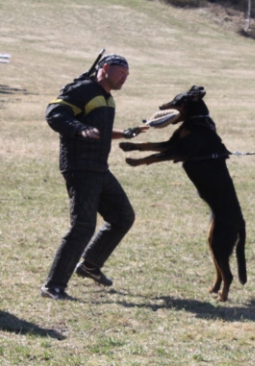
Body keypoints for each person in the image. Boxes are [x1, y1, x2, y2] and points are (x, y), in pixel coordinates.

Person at [41, 54, 148, 300]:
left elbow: (99, 132)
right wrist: (79, 129)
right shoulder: (83, 89)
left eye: (127, 75)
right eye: (122, 72)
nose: (125, 77)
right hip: (80, 168)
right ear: (106, 68)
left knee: (122, 216)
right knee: (83, 226)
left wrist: (126, 133)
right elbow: (54, 114)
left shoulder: (107, 99)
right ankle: (53, 286)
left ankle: (90, 265)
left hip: (99, 168)